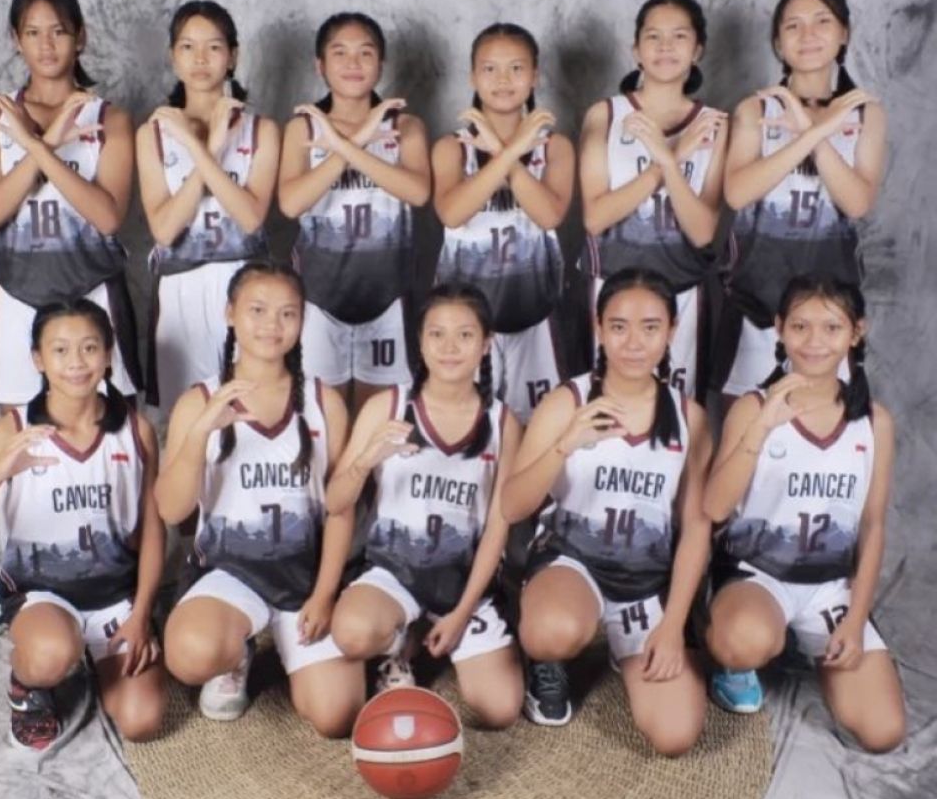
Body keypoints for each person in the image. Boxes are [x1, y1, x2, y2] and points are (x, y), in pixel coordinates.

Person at [502, 268, 713, 755]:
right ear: (599, 328)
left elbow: (696, 529)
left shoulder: (689, 417)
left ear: (672, 330)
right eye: (619, 326)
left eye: (650, 327)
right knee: (552, 632)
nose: (633, 342)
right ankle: (546, 661)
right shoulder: (569, 400)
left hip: (644, 582)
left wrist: (673, 624)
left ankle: (628, 643)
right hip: (573, 563)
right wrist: (565, 444)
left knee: (675, 735)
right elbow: (512, 506)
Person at [0, 299, 165, 752]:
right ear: (38, 359)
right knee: (51, 653)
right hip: (41, 593)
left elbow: (151, 530)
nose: (76, 362)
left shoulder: (135, 431)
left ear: (108, 354)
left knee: (142, 720)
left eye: (89, 347)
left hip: (114, 596)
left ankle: (95, 651)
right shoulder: (11, 431)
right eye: (60, 350)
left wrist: (142, 613)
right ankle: (28, 687)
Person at [156, 261, 364, 737]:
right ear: (230, 314)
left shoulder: (323, 402)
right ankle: (236, 651)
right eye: (258, 310)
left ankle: (291, 642)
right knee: (189, 655)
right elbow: (171, 509)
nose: (272, 324)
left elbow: (341, 508)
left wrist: (325, 593)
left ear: (302, 320)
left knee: (337, 715)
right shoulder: (199, 400)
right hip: (229, 573)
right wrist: (201, 432)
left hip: (303, 577)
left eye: (288, 313)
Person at [704, 276, 905, 752]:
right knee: (746, 639)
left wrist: (855, 620)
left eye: (831, 327)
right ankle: (733, 661)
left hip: (829, 586)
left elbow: (873, 525)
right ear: (779, 329)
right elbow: (713, 507)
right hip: (758, 574)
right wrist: (761, 428)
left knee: (883, 732)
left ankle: (809, 640)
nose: (815, 341)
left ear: (856, 332)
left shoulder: (874, 422)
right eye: (800, 326)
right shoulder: (753, 406)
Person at [326, 283, 524, 729]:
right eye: (437, 334)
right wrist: (365, 462)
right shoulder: (388, 406)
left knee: (500, 709)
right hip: (393, 573)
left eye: (465, 335)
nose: (449, 348)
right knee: (353, 633)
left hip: (462, 582)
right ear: (419, 341)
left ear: (486, 344)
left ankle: (426, 633)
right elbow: (335, 501)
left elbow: (498, 528)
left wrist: (462, 613)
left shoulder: (502, 422)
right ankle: (399, 645)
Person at [0, 0, 141, 408]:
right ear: (16, 39)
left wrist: (38, 148)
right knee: (21, 433)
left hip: (93, 290)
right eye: (32, 33)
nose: (46, 45)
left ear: (80, 37)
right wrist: (45, 145)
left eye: (59, 31)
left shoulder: (110, 119)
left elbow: (108, 218)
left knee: (111, 426)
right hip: (18, 290)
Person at [715, 0, 886, 399]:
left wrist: (814, 132)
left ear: (844, 33)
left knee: (820, 428)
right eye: (793, 25)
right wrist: (812, 133)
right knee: (744, 428)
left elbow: (857, 202)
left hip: (828, 314)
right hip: (755, 305)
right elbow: (737, 193)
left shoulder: (864, 112)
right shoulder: (756, 108)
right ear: (778, 41)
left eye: (822, 21)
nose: (807, 34)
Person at [278, 12, 430, 414]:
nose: (353, 63)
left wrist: (346, 146)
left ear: (381, 63)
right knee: (321, 419)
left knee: (377, 421)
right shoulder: (304, 129)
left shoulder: (405, 125)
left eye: (365, 52)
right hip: (319, 297)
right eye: (339, 52)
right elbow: (291, 203)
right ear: (320, 65)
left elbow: (417, 193)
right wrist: (357, 140)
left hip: (388, 296)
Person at [579, 0, 727, 401]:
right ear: (636, 51)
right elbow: (595, 218)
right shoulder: (606, 114)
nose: (665, 46)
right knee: (606, 407)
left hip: (683, 293)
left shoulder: (713, 124)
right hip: (609, 286)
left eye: (679, 36)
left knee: (676, 412)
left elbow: (703, 231)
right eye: (653, 36)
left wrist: (667, 161)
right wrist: (672, 157)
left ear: (697, 50)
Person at [137, 0, 279, 411]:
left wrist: (202, 147)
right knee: (188, 417)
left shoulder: (262, 130)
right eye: (188, 47)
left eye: (214, 47)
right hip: (180, 289)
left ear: (233, 56)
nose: (200, 59)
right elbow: (165, 230)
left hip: (245, 286)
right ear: (173, 56)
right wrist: (209, 146)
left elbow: (250, 218)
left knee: (250, 413)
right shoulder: (154, 133)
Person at [431, 22, 575, 423]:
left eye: (516, 68)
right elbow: (453, 212)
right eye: (490, 69)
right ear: (472, 77)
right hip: (464, 321)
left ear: (535, 76)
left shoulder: (555, 147)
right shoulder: (452, 148)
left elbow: (548, 215)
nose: (503, 79)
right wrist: (507, 152)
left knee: (541, 427)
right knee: (468, 427)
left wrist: (500, 150)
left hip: (536, 314)